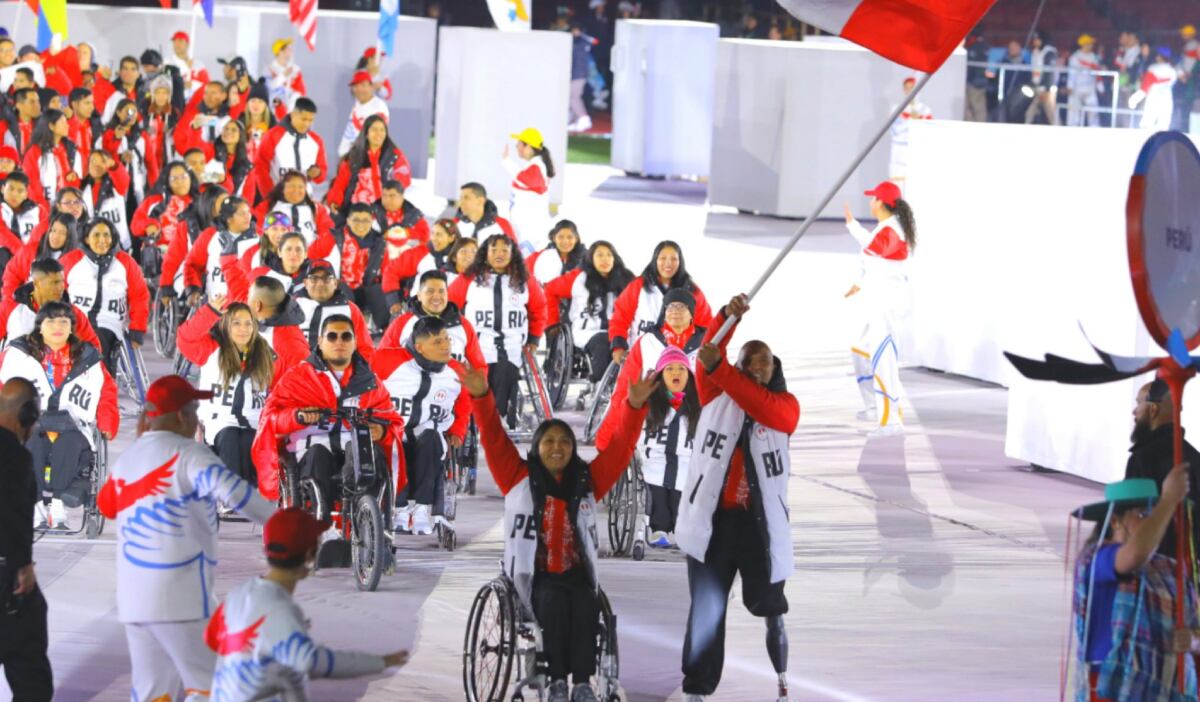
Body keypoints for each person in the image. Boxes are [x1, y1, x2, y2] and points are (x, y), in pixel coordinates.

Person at [459, 354, 655, 702]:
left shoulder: (587, 480)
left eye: (565, 442)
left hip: (576, 573)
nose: (557, 448)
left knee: (584, 603)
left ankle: (581, 683)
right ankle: (555, 680)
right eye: (549, 441)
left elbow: (621, 447)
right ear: (536, 447)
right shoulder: (515, 476)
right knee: (552, 602)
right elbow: (491, 434)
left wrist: (634, 406)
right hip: (532, 577)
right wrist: (481, 397)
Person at [97, 374, 275, 702]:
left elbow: (106, 505)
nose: (197, 418)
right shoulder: (190, 454)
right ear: (182, 416)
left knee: (153, 692)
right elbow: (236, 494)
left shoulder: (128, 458)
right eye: (194, 410)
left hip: (135, 602)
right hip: (183, 597)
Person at [676, 294, 799, 702]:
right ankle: (696, 690)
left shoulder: (784, 408)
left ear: (774, 366)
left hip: (760, 529)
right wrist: (727, 316)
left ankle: (781, 676)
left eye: (764, 361)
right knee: (707, 613)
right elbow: (709, 355)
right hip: (712, 526)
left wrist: (725, 370)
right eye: (749, 361)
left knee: (770, 606)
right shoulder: (714, 395)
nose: (757, 368)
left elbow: (739, 385)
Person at [207, 508, 408, 699]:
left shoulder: (238, 594)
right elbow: (310, 661)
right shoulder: (280, 611)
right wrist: (380, 662)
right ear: (310, 555)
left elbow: (212, 639)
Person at [1070, 467, 1198, 702]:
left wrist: (1192, 640)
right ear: (1115, 521)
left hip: (1163, 689)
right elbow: (1135, 555)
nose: (1153, 521)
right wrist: (1169, 500)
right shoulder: (1097, 558)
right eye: (1142, 514)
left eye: (1154, 513)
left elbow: (1195, 626)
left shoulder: (1170, 570)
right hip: (1112, 687)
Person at [251, 314, 405, 505]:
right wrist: (297, 417)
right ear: (320, 341)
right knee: (318, 453)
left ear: (355, 342)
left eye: (346, 337)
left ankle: (364, 514)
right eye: (332, 336)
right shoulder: (297, 377)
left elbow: (392, 420)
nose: (339, 342)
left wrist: (382, 431)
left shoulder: (371, 382)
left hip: (355, 448)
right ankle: (322, 522)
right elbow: (271, 418)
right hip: (310, 450)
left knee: (367, 454)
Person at [1, 302, 119, 529]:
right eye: (51, 321)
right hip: (31, 425)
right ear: (40, 327)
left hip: (73, 427)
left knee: (70, 442)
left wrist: (107, 421)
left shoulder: (87, 357)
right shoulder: (17, 355)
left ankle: (57, 504)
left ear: (72, 328)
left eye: (64, 321)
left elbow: (107, 390)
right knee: (33, 439)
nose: (58, 327)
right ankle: (35, 505)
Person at [374, 316, 469, 534]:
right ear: (419, 347)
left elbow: (465, 404)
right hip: (391, 431)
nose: (446, 345)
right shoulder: (385, 359)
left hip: (429, 434)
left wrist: (458, 430)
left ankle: (421, 508)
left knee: (430, 439)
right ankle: (398, 507)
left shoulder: (457, 372)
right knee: (392, 443)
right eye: (438, 342)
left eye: (447, 339)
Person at [448, 233, 547, 429]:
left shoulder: (525, 281)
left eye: (504, 250)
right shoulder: (469, 279)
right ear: (485, 253)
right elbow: (449, 305)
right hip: (477, 344)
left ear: (513, 254)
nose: (499, 254)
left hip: (511, 345)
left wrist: (534, 338)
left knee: (504, 376)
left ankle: (494, 422)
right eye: (494, 249)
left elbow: (539, 309)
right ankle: (472, 422)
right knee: (478, 382)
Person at [176, 296, 277, 486]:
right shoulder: (212, 349)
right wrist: (209, 312)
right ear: (226, 325)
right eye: (237, 323)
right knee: (230, 436)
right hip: (218, 420)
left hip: (255, 420)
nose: (243, 329)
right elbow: (185, 339)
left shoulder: (264, 352)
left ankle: (251, 492)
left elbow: (282, 381)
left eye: (248, 323)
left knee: (249, 440)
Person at [843, 181, 915, 435]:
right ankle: (874, 406)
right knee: (860, 349)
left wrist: (853, 226)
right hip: (876, 300)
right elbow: (873, 259)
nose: (871, 202)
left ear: (883, 203)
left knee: (883, 357)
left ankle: (891, 420)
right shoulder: (886, 228)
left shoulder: (893, 230)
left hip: (886, 304)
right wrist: (859, 283)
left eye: (874, 199)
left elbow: (873, 249)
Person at [597, 287, 704, 449]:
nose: (675, 311)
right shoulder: (647, 342)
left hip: (693, 418)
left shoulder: (706, 343)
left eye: (681, 307)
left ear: (692, 314)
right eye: (670, 306)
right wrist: (607, 439)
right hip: (655, 417)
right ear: (664, 312)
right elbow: (625, 388)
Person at [0, 378, 52, 701]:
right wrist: (22, 565)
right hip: (5, 575)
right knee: (30, 671)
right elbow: (12, 512)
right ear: (27, 414)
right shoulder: (15, 458)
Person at [60, 219, 150, 371]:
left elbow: (139, 296)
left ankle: (100, 382)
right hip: (75, 321)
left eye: (106, 235)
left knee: (97, 341)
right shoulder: (71, 260)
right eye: (96, 235)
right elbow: (55, 288)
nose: (102, 240)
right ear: (87, 239)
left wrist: (138, 329)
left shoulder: (125, 262)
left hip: (109, 323)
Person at [1123, 379, 1200, 557]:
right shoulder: (1195, 457)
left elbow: (1130, 517)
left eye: (1138, 404)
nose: (1134, 412)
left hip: (1151, 562)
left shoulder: (1143, 458)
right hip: (1188, 569)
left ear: (1153, 409)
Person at [543, 240, 633, 384]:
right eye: (599, 255)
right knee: (604, 343)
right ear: (591, 258)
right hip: (587, 331)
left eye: (609, 255)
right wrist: (553, 322)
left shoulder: (626, 279)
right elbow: (549, 290)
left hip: (618, 331)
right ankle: (600, 387)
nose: (605, 259)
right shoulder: (578, 278)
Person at [609, 240, 714, 362]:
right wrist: (618, 347)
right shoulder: (638, 286)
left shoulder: (693, 291)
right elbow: (620, 319)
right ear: (655, 260)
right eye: (663, 258)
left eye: (674, 259)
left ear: (680, 262)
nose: (668, 263)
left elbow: (706, 325)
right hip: (640, 356)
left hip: (680, 360)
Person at [381, 269, 487, 369]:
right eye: (430, 291)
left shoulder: (463, 325)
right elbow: (382, 360)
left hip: (453, 387)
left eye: (441, 291)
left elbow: (478, 366)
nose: (436, 296)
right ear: (419, 295)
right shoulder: (402, 324)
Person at [0, 258, 102, 350]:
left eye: (62, 281)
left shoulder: (74, 314)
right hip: (14, 367)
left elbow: (94, 351)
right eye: (55, 282)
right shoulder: (10, 308)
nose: (61, 287)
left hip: (60, 369)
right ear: (37, 283)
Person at [327, 114, 412, 213]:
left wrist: (391, 199)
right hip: (357, 212)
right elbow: (340, 183)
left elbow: (403, 180)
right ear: (366, 133)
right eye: (374, 129)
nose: (378, 133)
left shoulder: (396, 155)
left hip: (386, 210)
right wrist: (335, 200)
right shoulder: (353, 157)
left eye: (382, 130)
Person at [294, 259, 375, 358]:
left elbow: (365, 349)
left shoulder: (349, 309)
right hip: (295, 369)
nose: (320, 283)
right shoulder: (292, 306)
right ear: (306, 283)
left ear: (335, 283)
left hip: (337, 370)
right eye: (314, 279)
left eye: (326, 278)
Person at [183, 196, 258, 301]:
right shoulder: (210, 236)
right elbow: (192, 265)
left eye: (248, 212)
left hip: (245, 305)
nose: (248, 217)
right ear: (229, 218)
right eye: (242, 214)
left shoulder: (258, 238)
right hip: (213, 305)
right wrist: (193, 289)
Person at [381, 218, 457, 315]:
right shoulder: (420, 253)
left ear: (451, 238)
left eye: (439, 234)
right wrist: (393, 301)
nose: (434, 238)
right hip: (416, 308)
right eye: (432, 233)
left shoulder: (459, 257)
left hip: (448, 310)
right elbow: (391, 270)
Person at [336, 201, 392, 329]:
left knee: (381, 289)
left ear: (372, 221)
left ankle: (383, 330)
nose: (361, 225)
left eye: (365, 221)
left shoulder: (379, 241)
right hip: (342, 287)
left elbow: (387, 269)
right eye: (356, 220)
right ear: (348, 221)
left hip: (367, 286)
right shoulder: (337, 237)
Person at [254, 98, 327, 196]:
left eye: (311, 120)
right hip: (278, 198)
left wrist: (317, 174)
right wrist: (269, 195)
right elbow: (260, 166)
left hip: (306, 199)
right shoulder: (273, 135)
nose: (307, 124)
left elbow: (322, 174)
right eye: (304, 119)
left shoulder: (316, 141)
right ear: (293, 114)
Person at [256, 170, 337, 250]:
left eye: (300, 187)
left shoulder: (316, 208)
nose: (296, 190)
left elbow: (328, 234)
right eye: (291, 186)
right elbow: (260, 231)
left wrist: (311, 253)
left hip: (311, 257)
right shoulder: (268, 207)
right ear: (282, 188)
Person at [503, 128, 555, 247]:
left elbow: (526, 179)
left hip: (531, 230)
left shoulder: (536, 166)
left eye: (519, 144)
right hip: (526, 228)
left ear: (529, 147)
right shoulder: (533, 165)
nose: (517, 147)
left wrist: (507, 162)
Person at [80, 148, 134, 250]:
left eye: (102, 161)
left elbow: (124, 178)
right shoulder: (83, 187)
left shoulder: (116, 185)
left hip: (119, 244)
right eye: (93, 161)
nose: (97, 165)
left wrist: (114, 165)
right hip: (93, 245)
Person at [888, 77, 932, 183]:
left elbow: (929, 129)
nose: (909, 91)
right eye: (907, 88)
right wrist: (912, 119)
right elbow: (896, 130)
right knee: (898, 183)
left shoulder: (925, 110)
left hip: (916, 151)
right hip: (899, 153)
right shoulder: (896, 108)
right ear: (904, 90)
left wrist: (918, 119)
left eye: (912, 88)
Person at [338, 71, 389, 158]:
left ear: (371, 86)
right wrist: (343, 153)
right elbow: (350, 132)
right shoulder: (358, 104)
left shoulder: (379, 107)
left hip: (368, 159)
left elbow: (378, 138)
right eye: (355, 86)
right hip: (351, 157)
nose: (359, 89)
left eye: (362, 85)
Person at [1130, 47, 1178, 131]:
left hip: (1153, 99)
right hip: (1167, 100)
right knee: (1164, 127)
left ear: (1160, 57)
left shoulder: (1152, 69)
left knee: (1146, 126)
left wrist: (1133, 99)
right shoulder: (1173, 71)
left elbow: (1144, 89)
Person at [527, 219, 585, 285]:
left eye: (569, 237)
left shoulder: (587, 258)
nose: (565, 241)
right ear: (554, 238)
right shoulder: (543, 256)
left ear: (576, 239)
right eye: (561, 237)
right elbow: (521, 268)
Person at [0, 171, 48, 244]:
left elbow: (46, 235)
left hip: (34, 252)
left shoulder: (39, 211)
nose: (14, 194)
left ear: (26, 194)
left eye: (20, 191)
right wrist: (24, 253)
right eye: (11, 189)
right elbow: (3, 235)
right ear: (3, 189)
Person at [266, 38, 307, 118]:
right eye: (288, 49)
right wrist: (283, 76)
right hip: (274, 112)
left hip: (291, 112)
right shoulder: (269, 69)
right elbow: (268, 88)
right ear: (280, 52)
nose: (291, 51)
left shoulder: (295, 69)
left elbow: (301, 91)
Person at [1068, 34, 1102, 127]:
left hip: (1090, 88)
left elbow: (1097, 72)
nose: (1091, 45)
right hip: (1077, 88)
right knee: (1074, 112)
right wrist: (1070, 86)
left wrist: (1100, 86)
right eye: (1089, 43)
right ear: (1084, 44)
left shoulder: (1094, 57)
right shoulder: (1075, 57)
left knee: (1093, 112)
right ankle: (1072, 129)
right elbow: (1071, 74)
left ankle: (1095, 130)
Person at [164, 30, 209, 97]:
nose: (177, 44)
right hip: (175, 101)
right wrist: (185, 67)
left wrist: (193, 85)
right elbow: (166, 82)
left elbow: (207, 86)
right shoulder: (167, 62)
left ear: (187, 44)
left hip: (195, 103)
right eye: (174, 41)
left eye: (180, 41)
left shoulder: (199, 64)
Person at [964, 31, 990, 122]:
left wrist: (970, 79)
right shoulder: (984, 47)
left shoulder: (976, 47)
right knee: (968, 107)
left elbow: (975, 68)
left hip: (975, 83)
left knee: (978, 108)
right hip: (973, 82)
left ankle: (979, 129)